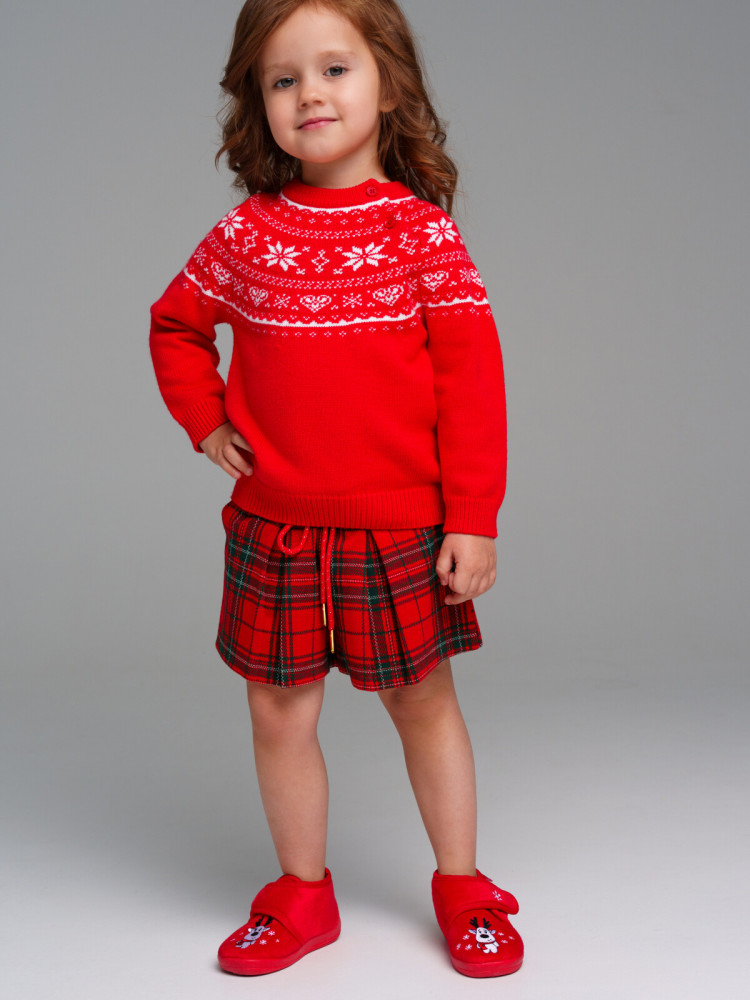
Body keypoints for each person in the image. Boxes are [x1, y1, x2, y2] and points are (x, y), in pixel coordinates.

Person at [149, 0, 522, 979]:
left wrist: (473, 519)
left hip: (398, 531)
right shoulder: (248, 234)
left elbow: (473, 387)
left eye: (334, 69)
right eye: (283, 79)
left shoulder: (421, 237)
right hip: (273, 529)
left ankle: (462, 884)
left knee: (422, 701)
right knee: (278, 712)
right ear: (259, 102)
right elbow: (175, 325)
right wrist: (207, 420)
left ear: (388, 84)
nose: (309, 94)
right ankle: (302, 892)